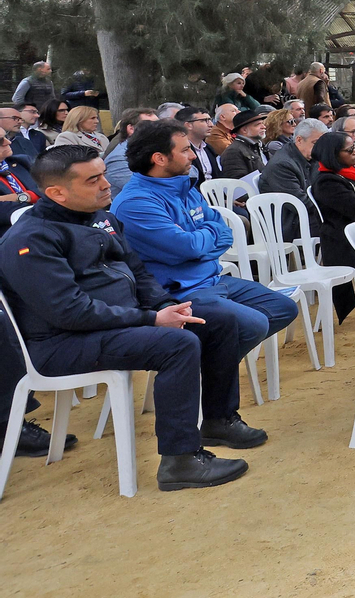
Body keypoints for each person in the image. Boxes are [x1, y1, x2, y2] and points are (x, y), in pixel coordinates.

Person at [0, 145, 260, 490]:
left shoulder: (101, 217)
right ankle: (179, 461)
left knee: (215, 320)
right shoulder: (29, 240)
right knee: (177, 344)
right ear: (56, 192)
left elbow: (139, 273)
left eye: (104, 174)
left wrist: (169, 306)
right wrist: (151, 320)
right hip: (59, 344)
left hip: (111, 326)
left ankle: (219, 419)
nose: (106, 184)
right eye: (93, 180)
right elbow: (69, 311)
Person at [112, 121, 299, 346]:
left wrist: (200, 241)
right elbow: (188, 247)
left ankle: (209, 358)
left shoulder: (183, 187)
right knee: (253, 324)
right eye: (184, 150)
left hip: (211, 279)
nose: (192, 155)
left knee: (283, 308)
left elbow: (224, 233)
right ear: (159, 159)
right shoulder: (136, 203)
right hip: (178, 293)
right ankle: (205, 367)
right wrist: (205, 238)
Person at [308, 131, 355, 321]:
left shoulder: (348, 174)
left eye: (354, 148)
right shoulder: (327, 182)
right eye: (349, 150)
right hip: (343, 244)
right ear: (333, 154)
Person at [258, 119, 329, 238]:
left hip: (305, 216)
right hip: (290, 223)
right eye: (316, 143)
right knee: (339, 225)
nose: (321, 148)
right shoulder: (282, 165)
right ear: (299, 140)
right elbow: (299, 203)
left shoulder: (311, 157)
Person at [104, 107, 159, 198]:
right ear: (131, 129)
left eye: (159, 124)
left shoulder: (156, 149)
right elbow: (146, 191)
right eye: (151, 125)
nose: (159, 129)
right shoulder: (119, 158)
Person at [0, 133, 38, 235]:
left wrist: (25, 196)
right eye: (0, 141)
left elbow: (55, 185)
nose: (8, 142)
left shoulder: (23, 161)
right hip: (10, 234)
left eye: (6, 137)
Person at [174, 106, 223, 184]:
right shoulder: (180, 150)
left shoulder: (208, 148)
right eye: (204, 120)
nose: (211, 125)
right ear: (188, 125)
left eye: (210, 120)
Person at [220, 105, 270, 179]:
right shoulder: (233, 151)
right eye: (257, 125)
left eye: (262, 123)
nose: (263, 127)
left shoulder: (260, 146)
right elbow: (238, 182)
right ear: (244, 130)